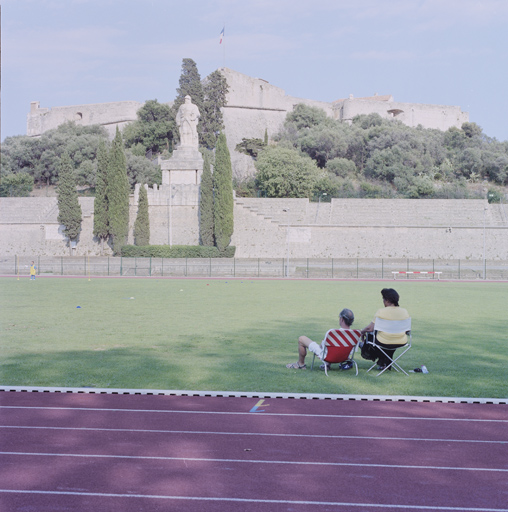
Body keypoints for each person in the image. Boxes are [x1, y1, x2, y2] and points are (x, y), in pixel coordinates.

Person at [286, 308, 355, 370]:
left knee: (301, 339)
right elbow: (351, 351)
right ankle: (327, 365)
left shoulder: (332, 332)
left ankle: (300, 364)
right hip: (343, 358)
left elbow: (322, 347)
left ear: (341, 319)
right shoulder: (355, 334)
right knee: (334, 348)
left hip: (327, 356)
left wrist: (322, 344)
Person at [360, 288, 410, 371]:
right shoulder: (404, 312)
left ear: (387, 300)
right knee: (390, 339)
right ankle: (385, 363)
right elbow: (407, 330)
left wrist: (362, 332)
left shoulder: (381, 312)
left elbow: (370, 328)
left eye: (383, 299)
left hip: (383, 341)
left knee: (373, 339)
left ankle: (383, 361)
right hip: (401, 341)